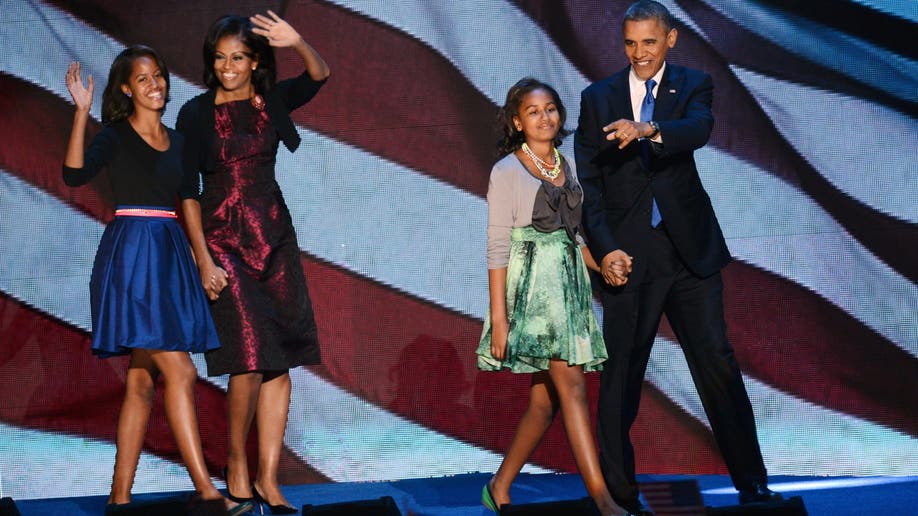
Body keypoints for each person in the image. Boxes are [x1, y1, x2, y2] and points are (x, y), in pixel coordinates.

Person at [574, 1, 783, 513]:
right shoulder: (597, 98)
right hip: (629, 255)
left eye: (649, 42)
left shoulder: (692, 84)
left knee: (717, 364)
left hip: (691, 252)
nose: (639, 53)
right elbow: (590, 187)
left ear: (670, 40)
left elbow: (699, 129)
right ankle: (620, 496)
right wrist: (604, 251)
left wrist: (648, 130)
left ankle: (752, 485)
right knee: (622, 371)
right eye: (630, 43)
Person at [62, 47, 251, 515]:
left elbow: (188, 201)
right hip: (132, 258)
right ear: (127, 88)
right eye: (143, 79)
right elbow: (73, 174)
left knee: (143, 381)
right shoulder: (114, 137)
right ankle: (208, 492)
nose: (155, 85)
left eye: (160, 76)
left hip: (170, 257)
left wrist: (203, 263)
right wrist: (82, 114)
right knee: (181, 371)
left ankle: (119, 499)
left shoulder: (179, 143)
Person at [176, 10, 330, 514]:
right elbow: (188, 193)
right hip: (223, 240)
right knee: (246, 360)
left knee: (279, 361)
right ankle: (235, 464)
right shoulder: (195, 113)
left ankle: (267, 477)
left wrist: (299, 41)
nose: (227, 67)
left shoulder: (271, 103)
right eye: (220, 58)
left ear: (255, 60)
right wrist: (203, 260)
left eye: (237, 57)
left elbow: (318, 76)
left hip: (273, 237)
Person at [476, 78, 630, 516]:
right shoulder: (505, 171)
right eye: (533, 111)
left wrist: (602, 266)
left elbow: (573, 236)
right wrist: (499, 319)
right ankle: (602, 498)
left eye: (550, 109)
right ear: (516, 121)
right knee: (574, 389)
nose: (544, 118)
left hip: (569, 289)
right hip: (534, 295)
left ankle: (499, 487)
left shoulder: (566, 164)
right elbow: (497, 246)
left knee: (544, 403)